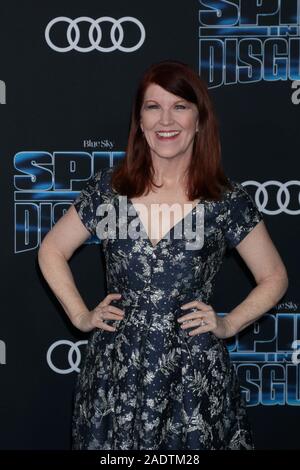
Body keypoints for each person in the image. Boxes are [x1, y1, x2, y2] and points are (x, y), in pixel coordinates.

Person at [38, 60, 288, 450]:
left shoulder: (226, 201)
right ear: (139, 121)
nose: (165, 120)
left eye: (180, 106)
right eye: (153, 107)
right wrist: (80, 315)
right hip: (116, 373)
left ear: (200, 120)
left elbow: (274, 276)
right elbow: (52, 249)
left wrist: (228, 324)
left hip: (193, 378)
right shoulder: (109, 191)